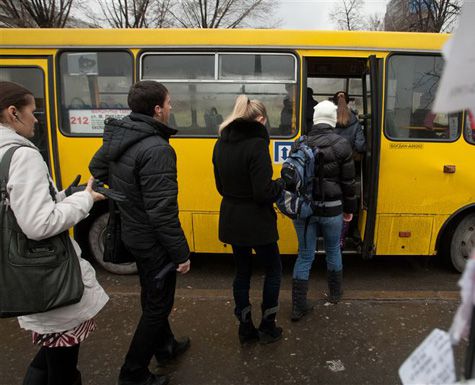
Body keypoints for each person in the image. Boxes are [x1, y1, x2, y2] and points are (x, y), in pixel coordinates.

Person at [0, 81, 109, 385]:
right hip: (45, 276)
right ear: (12, 113)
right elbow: (38, 225)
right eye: (32, 112)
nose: (37, 119)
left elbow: (15, 209)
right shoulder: (22, 154)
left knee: (50, 356)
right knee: (61, 365)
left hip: (16, 269)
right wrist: (85, 199)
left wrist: (63, 196)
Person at [89, 81, 191, 385]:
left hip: (132, 232)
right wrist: (181, 254)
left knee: (152, 295)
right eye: (169, 103)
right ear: (157, 109)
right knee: (157, 305)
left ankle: (166, 347)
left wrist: (126, 197)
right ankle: (132, 373)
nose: (171, 108)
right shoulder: (157, 148)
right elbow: (162, 211)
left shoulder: (121, 135)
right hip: (152, 241)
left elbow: (98, 170)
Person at [212, 95, 284, 345]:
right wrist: (281, 184)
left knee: (242, 273)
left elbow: (220, 187)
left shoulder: (220, 144)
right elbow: (263, 192)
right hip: (257, 220)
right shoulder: (257, 145)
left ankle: (245, 328)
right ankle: (268, 325)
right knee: (273, 270)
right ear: (261, 119)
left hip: (232, 217)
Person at [291, 100, 356, 321]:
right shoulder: (342, 144)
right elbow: (349, 183)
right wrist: (349, 210)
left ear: (315, 118)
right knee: (333, 251)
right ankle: (335, 294)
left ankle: (298, 306)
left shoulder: (300, 143)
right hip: (332, 209)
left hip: (305, 211)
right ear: (332, 119)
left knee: (305, 255)